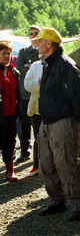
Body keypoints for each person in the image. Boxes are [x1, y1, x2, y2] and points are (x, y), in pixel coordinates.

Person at [35, 27, 80, 221]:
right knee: (46, 165)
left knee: (66, 164)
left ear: (49, 43)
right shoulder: (48, 63)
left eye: (40, 40)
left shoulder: (65, 64)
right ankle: (56, 202)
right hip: (47, 121)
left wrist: (73, 120)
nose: (36, 42)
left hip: (62, 122)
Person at [15, 25, 41, 162]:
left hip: (40, 95)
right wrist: (32, 71)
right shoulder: (23, 51)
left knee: (40, 124)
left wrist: (31, 68)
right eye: (31, 33)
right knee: (24, 125)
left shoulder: (43, 51)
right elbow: (19, 67)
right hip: (26, 94)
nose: (34, 35)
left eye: (36, 33)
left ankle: (41, 153)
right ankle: (24, 151)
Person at [0, 40, 20, 181]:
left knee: (10, 142)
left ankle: (10, 171)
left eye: (8, 53)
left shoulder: (14, 72)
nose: (6, 56)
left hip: (11, 114)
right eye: (3, 53)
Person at [24, 56, 44, 177]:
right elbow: (27, 85)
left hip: (53, 109)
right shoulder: (36, 66)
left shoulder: (59, 64)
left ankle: (51, 167)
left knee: (52, 138)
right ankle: (36, 165)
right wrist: (38, 81)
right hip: (37, 108)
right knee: (37, 137)